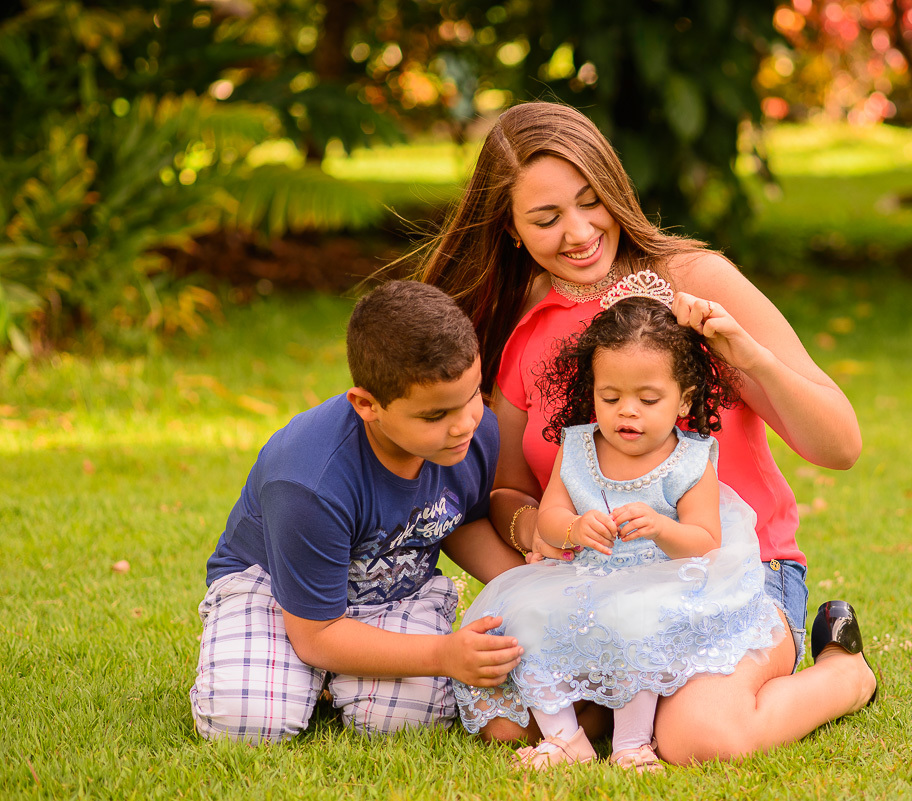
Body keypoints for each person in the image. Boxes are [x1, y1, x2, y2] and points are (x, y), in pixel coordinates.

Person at [419, 101, 877, 763]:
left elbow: (841, 445)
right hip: (605, 584)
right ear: (513, 231)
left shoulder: (696, 280)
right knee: (509, 722)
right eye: (547, 219)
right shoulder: (523, 337)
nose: (577, 232)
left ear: (615, 188)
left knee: (697, 738)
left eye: (590, 201)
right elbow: (508, 491)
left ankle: (844, 672)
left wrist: (744, 354)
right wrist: (538, 533)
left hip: (738, 571)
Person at [454, 288, 786, 771]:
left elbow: (704, 539)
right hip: (588, 577)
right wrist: (572, 526)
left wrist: (659, 529)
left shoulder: (689, 459)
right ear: (593, 393)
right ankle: (566, 739)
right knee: (523, 623)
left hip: (666, 579)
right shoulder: (579, 447)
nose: (626, 411)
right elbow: (549, 518)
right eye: (610, 397)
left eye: (647, 399)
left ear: (682, 400)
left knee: (637, 624)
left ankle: (632, 742)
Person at [190, 281, 526, 743]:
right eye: (435, 415)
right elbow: (317, 634)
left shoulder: (472, 433)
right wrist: (443, 655)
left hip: (392, 591)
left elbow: (458, 521)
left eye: (472, 396)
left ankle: (334, 681)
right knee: (246, 723)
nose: (465, 423)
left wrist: (530, 582)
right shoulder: (310, 482)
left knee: (409, 720)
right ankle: (289, 675)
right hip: (279, 590)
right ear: (367, 405)